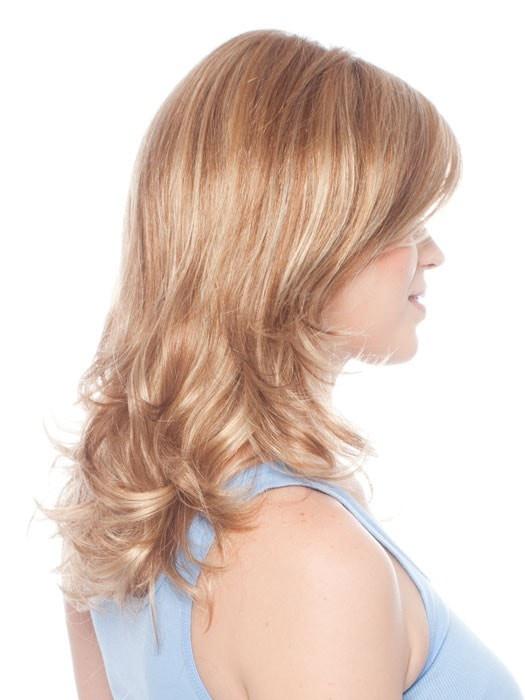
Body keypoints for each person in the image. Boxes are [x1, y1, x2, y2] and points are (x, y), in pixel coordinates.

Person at [39, 28, 523, 699]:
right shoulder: (306, 555)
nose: (433, 254)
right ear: (306, 242)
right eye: (404, 224)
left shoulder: (118, 497)